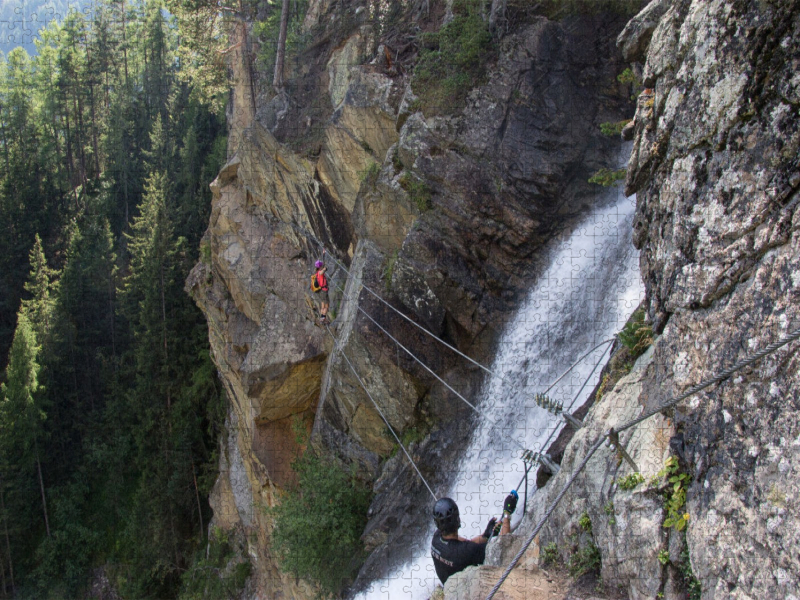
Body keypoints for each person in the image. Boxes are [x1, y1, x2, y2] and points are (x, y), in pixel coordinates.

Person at [430, 492, 518, 585]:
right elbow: (503, 547)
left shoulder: (436, 538)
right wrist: (507, 515)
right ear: (457, 519)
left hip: (450, 586)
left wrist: (485, 536)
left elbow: (462, 543)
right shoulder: (467, 551)